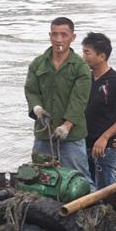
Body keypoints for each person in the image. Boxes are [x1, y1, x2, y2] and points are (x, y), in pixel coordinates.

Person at [24, 16, 94, 187]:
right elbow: (31, 90)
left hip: (72, 134)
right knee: (39, 175)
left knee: (79, 178)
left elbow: (79, 100)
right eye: (54, 35)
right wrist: (37, 108)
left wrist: (66, 126)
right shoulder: (38, 64)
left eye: (63, 35)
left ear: (73, 37)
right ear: (50, 36)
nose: (58, 39)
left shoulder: (80, 67)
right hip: (44, 133)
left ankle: (91, 208)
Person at [81, 32, 116, 190]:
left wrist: (105, 137)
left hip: (106, 146)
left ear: (102, 56)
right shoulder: (84, 79)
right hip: (83, 143)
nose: (83, 57)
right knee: (84, 189)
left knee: (104, 191)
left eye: (87, 52)